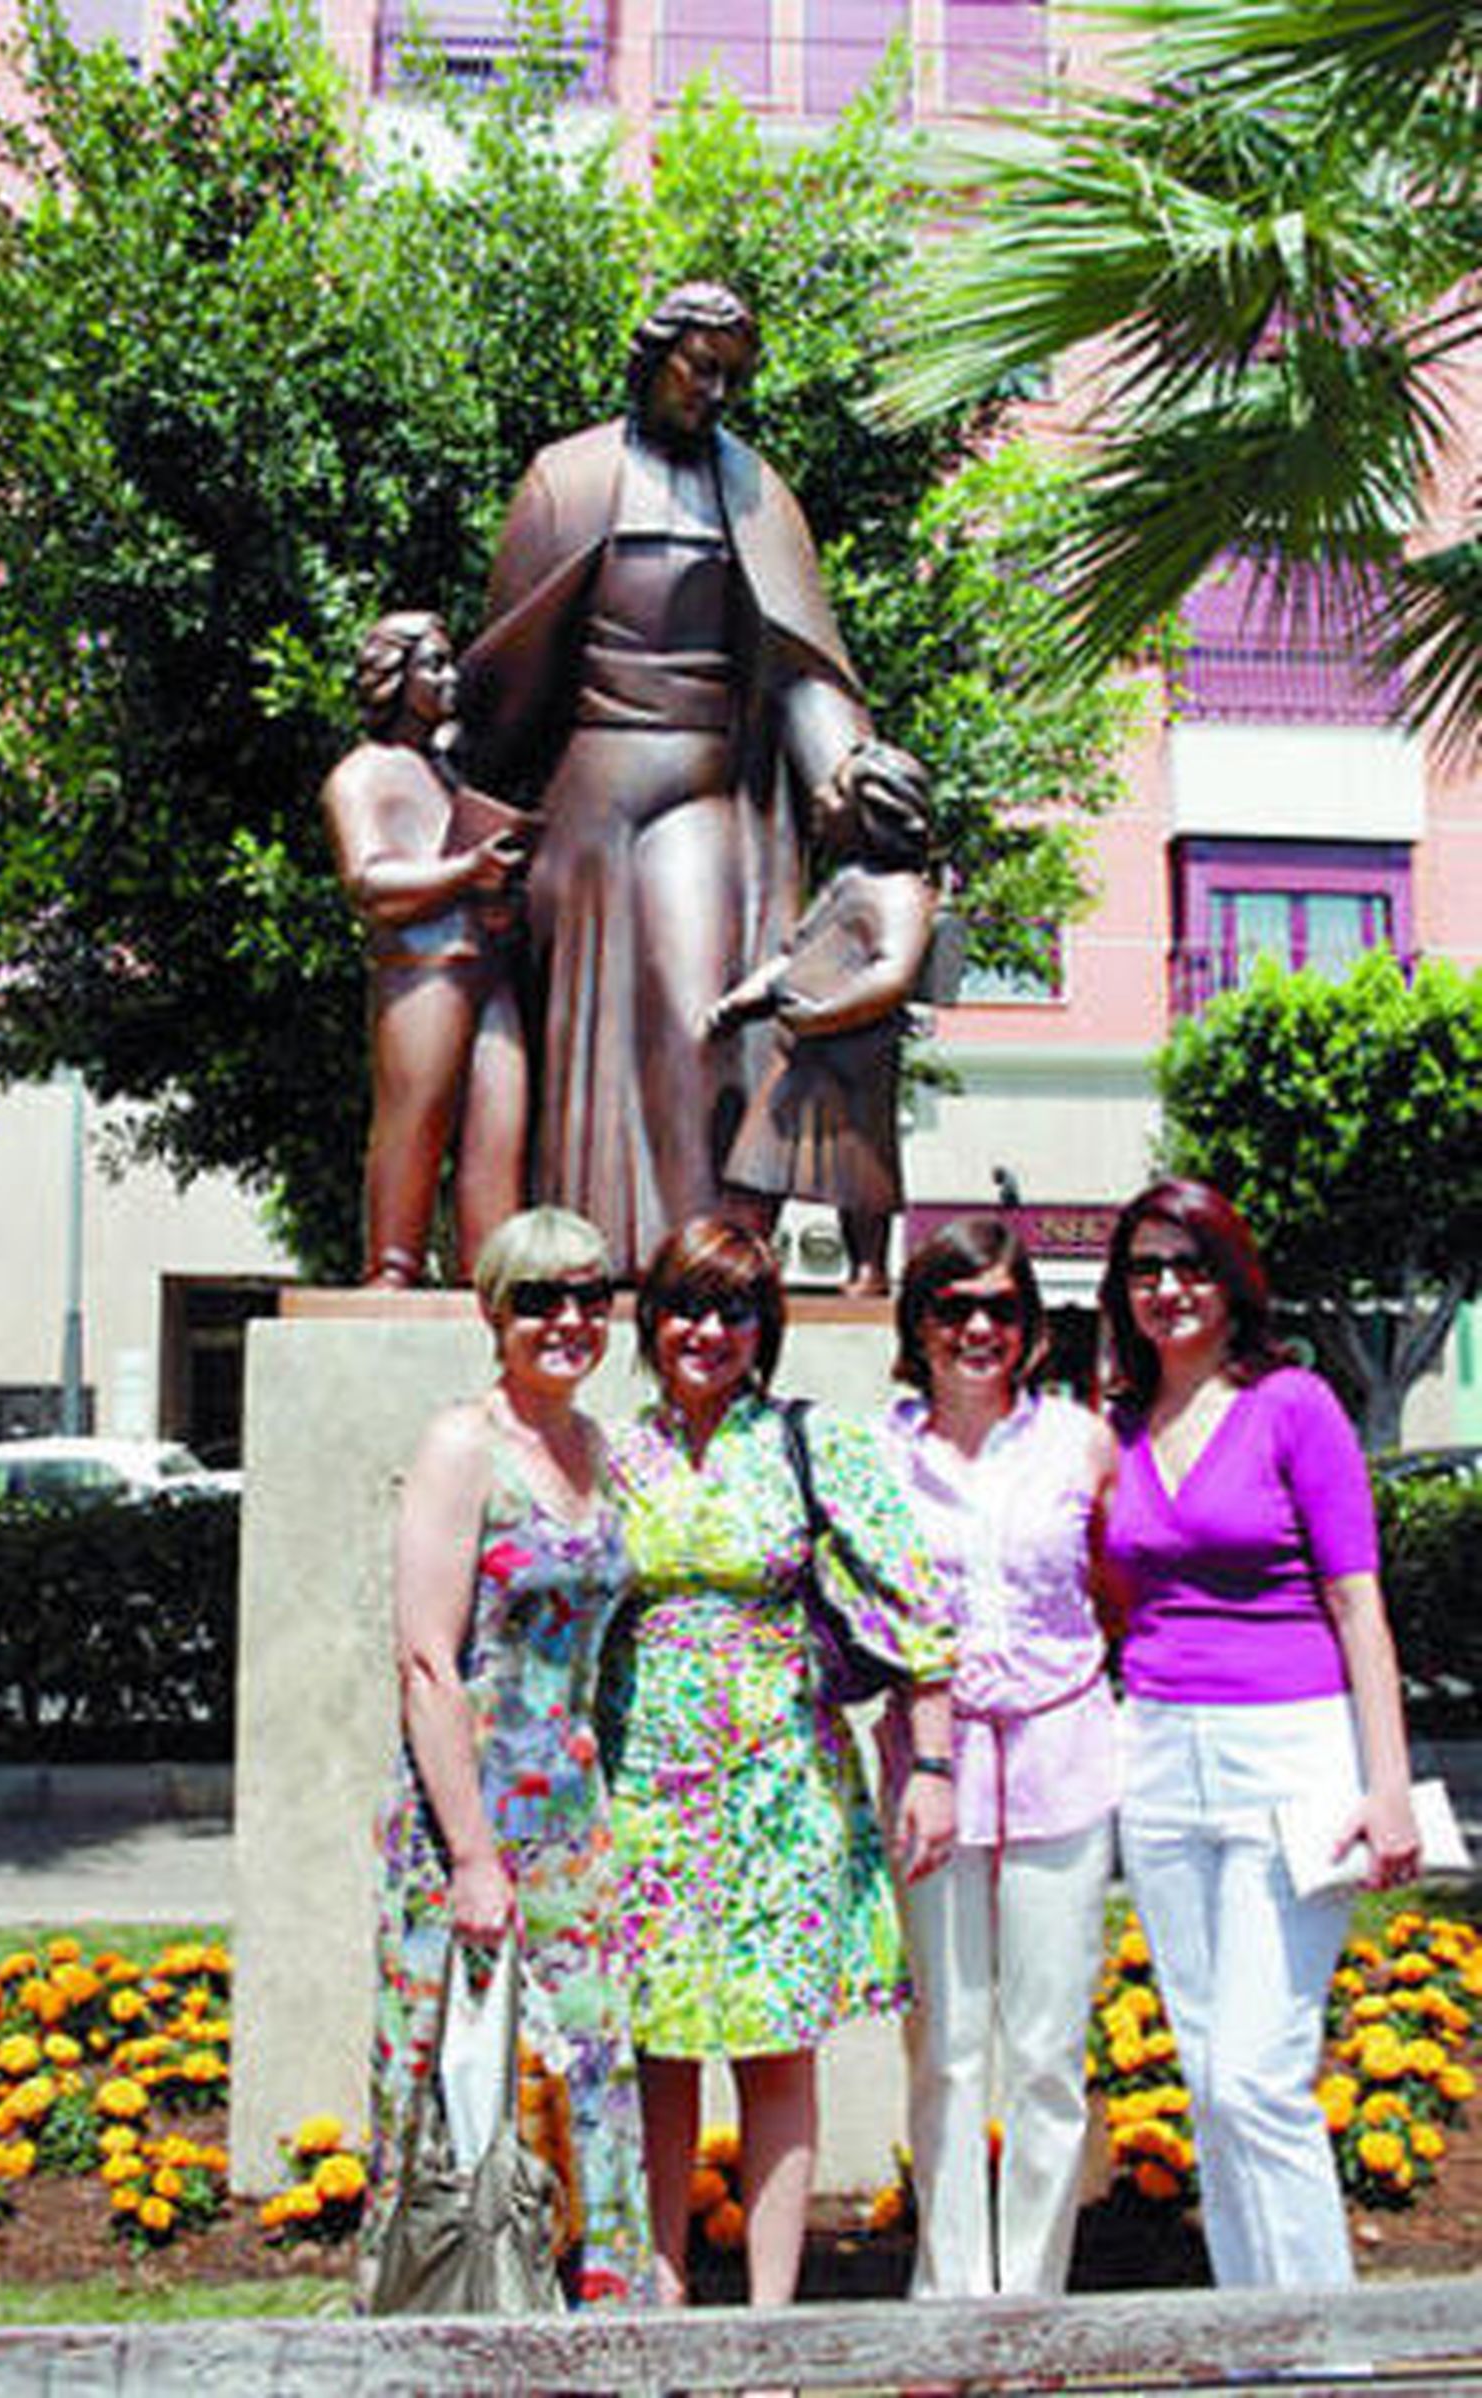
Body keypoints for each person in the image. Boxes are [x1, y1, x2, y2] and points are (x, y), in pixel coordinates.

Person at [458, 283, 915, 1275]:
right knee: (582, 1040)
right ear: (652, 356)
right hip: (590, 791)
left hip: (703, 791)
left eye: (731, 376)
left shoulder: (755, 492)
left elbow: (803, 672)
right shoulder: (566, 480)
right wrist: (477, 844)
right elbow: (502, 686)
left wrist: (847, 775)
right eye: (698, 366)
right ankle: (597, 1266)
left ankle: (703, 1270)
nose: (714, 391)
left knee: (700, 1019)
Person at [598, 1215, 957, 2312]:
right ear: (651, 1319)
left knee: (773, 2051)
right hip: (641, 1787)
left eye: (735, 1309)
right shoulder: (612, 1455)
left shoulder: (814, 1442)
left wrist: (932, 1765)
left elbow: (918, 1609)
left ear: (767, 1327)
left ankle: (767, 2323)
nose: (708, 1330)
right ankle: (658, 2306)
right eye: (686, 1306)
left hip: (779, 1787)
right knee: (655, 2044)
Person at [1099, 1176, 1421, 2290]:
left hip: (1290, 1756)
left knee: (1258, 2075)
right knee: (1206, 2071)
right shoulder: (1122, 1424)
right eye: (1144, 1268)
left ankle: (1326, 2349)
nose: (1167, 1288)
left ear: (1232, 1279)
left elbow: (1356, 1604)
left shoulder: (1294, 1403)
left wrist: (1387, 1784)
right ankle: (1254, 2344)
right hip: (1160, 1757)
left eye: (1189, 1263)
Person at [365, 1206, 652, 2306]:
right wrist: (475, 1858)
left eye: (590, 1294)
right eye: (539, 1298)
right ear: (494, 1311)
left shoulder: (597, 1447)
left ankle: (589, 2331)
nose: (569, 1319)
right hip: (464, 1825)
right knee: (455, 2088)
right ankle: (445, 2332)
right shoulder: (461, 1444)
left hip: (574, 1817)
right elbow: (427, 1663)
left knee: (587, 2075)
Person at [876, 1218, 1117, 2297]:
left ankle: (1027, 2303)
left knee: (1047, 2052)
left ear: (1029, 1329)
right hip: (933, 1770)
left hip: (1063, 1756)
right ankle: (948, 2294)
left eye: (1001, 1309)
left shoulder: (1078, 1439)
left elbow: (1119, 1586)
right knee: (946, 2044)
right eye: (951, 1305)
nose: (977, 1327)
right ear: (917, 1322)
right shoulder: (877, 1452)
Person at [321, 610, 530, 1285]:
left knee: (501, 1126)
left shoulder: (449, 776)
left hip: (486, 968)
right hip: (420, 972)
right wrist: (467, 873)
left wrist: (497, 884)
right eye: (433, 665)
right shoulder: (361, 776)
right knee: (414, 1121)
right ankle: (392, 1267)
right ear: (394, 678)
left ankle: (490, 1275)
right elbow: (370, 884)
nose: (449, 679)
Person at [709, 745, 939, 1295]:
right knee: (755, 1173)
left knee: (861, 1175)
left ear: (872, 812)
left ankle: (869, 1273)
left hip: (853, 1059)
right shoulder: (844, 884)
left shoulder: (902, 894)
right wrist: (743, 1000)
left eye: (837, 791)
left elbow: (894, 973)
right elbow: (793, 957)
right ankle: (741, 1270)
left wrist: (827, 1014)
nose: (820, 797)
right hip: (799, 1056)